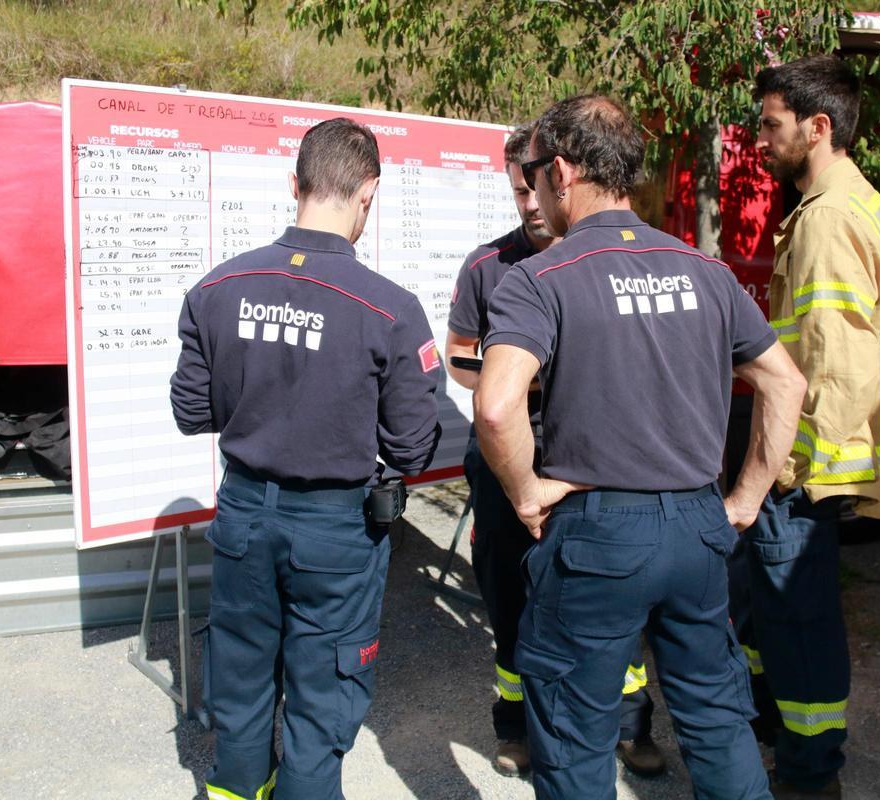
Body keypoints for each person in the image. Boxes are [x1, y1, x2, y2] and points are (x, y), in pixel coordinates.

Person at [474, 94, 807, 800]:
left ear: (562, 171)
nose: (532, 191)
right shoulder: (706, 271)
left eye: (532, 173)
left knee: (573, 736)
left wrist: (526, 493)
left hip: (596, 535)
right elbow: (786, 382)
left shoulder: (539, 277)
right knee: (717, 722)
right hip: (698, 529)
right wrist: (744, 501)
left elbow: (497, 406)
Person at [170, 117, 441, 800]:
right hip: (335, 530)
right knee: (323, 697)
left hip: (243, 515)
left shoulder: (217, 288)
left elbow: (191, 411)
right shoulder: (391, 309)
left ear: (295, 184)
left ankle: (237, 788)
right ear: (368, 192)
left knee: (240, 680)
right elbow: (412, 446)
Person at [747, 55, 880, 799]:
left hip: (806, 466)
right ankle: (784, 743)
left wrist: (787, 470)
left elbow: (835, 367)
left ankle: (808, 774)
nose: (760, 139)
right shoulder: (861, 203)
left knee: (798, 625)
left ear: (818, 126)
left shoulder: (828, 220)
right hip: (825, 461)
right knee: (778, 614)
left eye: (772, 125)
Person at [446, 123, 665, 778]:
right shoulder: (486, 266)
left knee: (608, 593)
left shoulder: (600, 260)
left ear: (557, 178)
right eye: (517, 193)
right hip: (505, 454)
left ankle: (630, 724)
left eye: (535, 188)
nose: (531, 205)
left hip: (589, 451)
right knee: (508, 595)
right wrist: (525, 378)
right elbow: (459, 359)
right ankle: (516, 727)